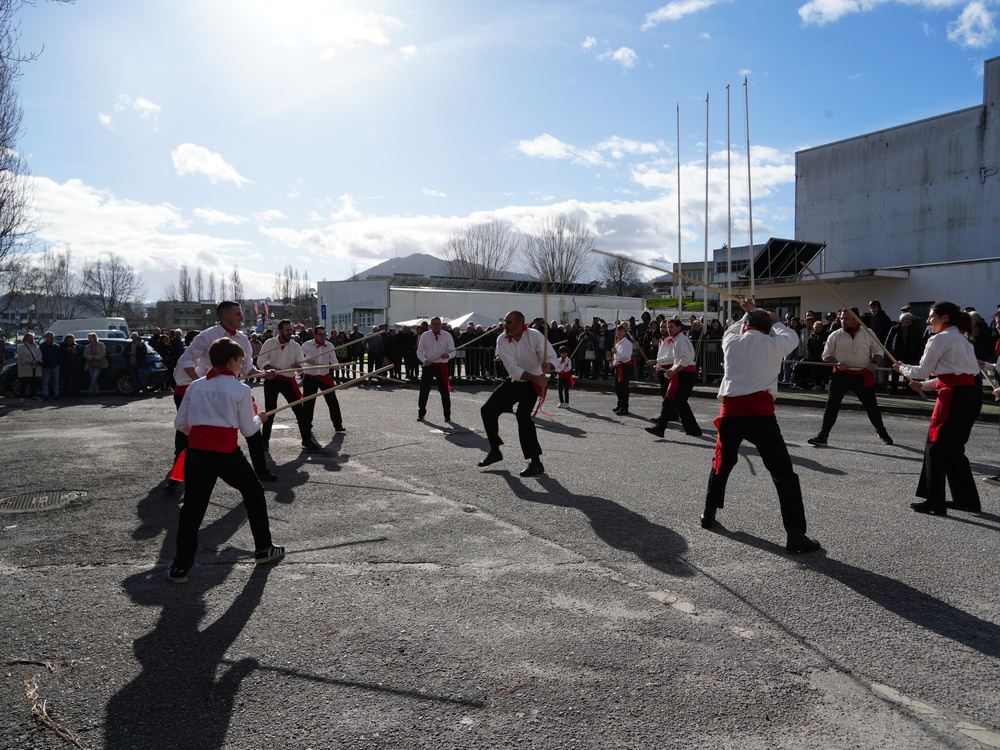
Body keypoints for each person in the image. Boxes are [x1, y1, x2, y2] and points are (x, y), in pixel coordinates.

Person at [700, 300, 821, 553]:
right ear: (768, 327)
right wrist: (772, 319)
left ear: (746, 326)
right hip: (760, 414)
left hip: (731, 413)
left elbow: (732, 329)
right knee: (783, 473)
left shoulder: (731, 342)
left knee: (722, 463)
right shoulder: (775, 343)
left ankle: (708, 513)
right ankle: (795, 533)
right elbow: (790, 335)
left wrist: (749, 313)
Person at [167, 337, 285, 583]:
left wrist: (202, 435)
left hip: (198, 453)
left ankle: (180, 567)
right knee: (253, 492)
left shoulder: (195, 386)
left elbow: (180, 424)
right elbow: (248, 430)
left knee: (192, 509)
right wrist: (260, 419)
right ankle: (264, 549)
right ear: (231, 361)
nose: (242, 367)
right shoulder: (240, 390)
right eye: (241, 362)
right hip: (226, 453)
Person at [894, 302, 983, 515]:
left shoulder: (940, 338)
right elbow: (953, 374)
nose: (927, 321)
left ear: (944, 318)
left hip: (954, 397)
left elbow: (924, 371)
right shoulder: (962, 338)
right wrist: (924, 386)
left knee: (936, 447)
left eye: (931, 316)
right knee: (954, 450)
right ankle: (967, 500)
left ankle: (935, 501)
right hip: (970, 395)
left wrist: (901, 368)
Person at [178, 300, 277, 482]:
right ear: (226, 316)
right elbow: (186, 359)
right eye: (238, 313)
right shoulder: (207, 336)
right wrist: (201, 384)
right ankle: (177, 476)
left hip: (232, 389)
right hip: (208, 392)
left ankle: (261, 471)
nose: (242, 317)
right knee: (187, 431)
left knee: (251, 428)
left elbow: (247, 368)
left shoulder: (243, 339)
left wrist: (264, 374)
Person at [478, 310, 557, 477]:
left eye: (509, 322)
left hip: (531, 384)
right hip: (518, 380)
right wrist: (536, 378)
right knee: (487, 410)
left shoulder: (535, 336)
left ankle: (535, 462)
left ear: (520, 324)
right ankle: (495, 450)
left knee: (523, 416)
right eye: (505, 322)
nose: (505, 325)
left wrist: (548, 366)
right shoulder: (502, 339)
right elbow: (513, 370)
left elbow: (551, 357)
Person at [807, 308, 893, 447]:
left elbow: (878, 351)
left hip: (862, 375)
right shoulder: (835, 335)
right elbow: (826, 355)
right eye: (841, 318)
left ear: (856, 319)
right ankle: (823, 436)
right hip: (840, 375)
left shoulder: (868, 332)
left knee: (872, 407)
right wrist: (836, 362)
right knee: (831, 406)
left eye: (846, 319)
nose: (843, 321)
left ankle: (882, 432)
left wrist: (874, 362)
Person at [257, 318, 321, 451]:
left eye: (291, 330)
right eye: (287, 330)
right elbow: (260, 361)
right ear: (279, 331)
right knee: (270, 411)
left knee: (300, 410)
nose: (289, 333)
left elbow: (301, 366)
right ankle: (264, 442)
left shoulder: (295, 346)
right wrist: (269, 369)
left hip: (288, 381)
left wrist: (298, 366)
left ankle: (306, 439)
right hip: (272, 380)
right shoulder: (269, 343)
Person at [646, 318, 702, 437]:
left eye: (671, 327)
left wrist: (673, 370)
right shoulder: (677, 339)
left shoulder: (680, 340)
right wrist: (672, 370)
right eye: (668, 327)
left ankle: (662, 428)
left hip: (685, 374)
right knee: (676, 403)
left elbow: (684, 360)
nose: (669, 329)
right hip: (683, 373)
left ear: (679, 328)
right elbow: (679, 360)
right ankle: (692, 430)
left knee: (673, 401)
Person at [163, 329, 200, 495]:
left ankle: (182, 470)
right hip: (188, 392)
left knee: (188, 432)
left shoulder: (193, 355)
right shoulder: (190, 356)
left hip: (186, 392)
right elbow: (199, 378)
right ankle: (178, 474)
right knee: (185, 432)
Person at [299, 325, 345, 435]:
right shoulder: (307, 345)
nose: (323, 337)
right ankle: (307, 425)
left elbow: (334, 359)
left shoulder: (329, 345)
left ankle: (338, 425)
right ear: (314, 335)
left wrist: (335, 366)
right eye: (320, 334)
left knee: (332, 401)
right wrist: (307, 360)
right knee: (309, 403)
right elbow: (299, 357)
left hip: (324, 376)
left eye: (325, 334)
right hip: (310, 376)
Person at [416, 316, 455, 422]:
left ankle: (447, 415)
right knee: (424, 390)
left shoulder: (447, 335)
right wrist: (424, 360)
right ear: (430, 325)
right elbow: (419, 352)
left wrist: (447, 356)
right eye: (434, 324)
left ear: (441, 325)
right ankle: (421, 413)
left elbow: (453, 351)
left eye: (438, 324)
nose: (436, 326)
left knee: (444, 392)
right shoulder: (425, 335)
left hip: (441, 366)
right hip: (428, 366)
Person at [885, 313, 925, 394]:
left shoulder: (914, 329)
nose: (908, 321)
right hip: (897, 353)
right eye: (906, 319)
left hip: (909, 353)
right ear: (901, 320)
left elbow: (918, 342)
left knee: (909, 371)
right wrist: (887, 351)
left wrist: (919, 354)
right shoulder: (894, 329)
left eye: (909, 319)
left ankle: (909, 390)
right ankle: (894, 390)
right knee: (895, 372)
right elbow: (888, 340)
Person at [611, 325, 633, 415]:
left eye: (621, 331)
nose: (619, 333)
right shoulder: (618, 342)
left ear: (625, 332)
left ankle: (625, 407)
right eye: (618, 331)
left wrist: (617, 352)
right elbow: (617, 357)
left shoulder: (627, 342)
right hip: (619, 366)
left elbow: (627, 357)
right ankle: (620, 404)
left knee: (624, 388)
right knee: (618, 387)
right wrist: (613, 364)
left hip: (625, 367)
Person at [16, 332, 42, 402]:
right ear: (25, 338)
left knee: (34, 382)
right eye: (29, 337)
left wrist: (36, 360)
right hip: (27, 366)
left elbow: (40, 355)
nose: (30, 339)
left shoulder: (36, 346)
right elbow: (21, 356)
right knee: (24, 382)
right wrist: (30, 361)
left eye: (31, 337)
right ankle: (21, 396)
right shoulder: (21, 346)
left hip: (35, 367)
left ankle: (34, 395)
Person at [39, 331, 61, 400]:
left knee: (56, 382)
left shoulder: (56, 346)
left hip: (55, 366)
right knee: (45, 382)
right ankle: (45, 395)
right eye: (50, 337)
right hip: (46, 366)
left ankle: (56, 395)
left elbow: (60, 356)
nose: (51, 338)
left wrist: (58, 364)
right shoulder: (41, 346)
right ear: (46, 337)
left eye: (52, 337)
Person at [59, 333, 82, 397]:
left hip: (74, 365)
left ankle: (75, 393)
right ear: (66, 340)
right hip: (66, 365)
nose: (70, 342)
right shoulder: (62, 346)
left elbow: (80, 354)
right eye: (69, 340)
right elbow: (61, 355)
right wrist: (66, 350)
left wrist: (76, 352)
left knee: (75, 380)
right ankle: (66, 393)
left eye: (71, 340)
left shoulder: (76, 345)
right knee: (66, 380)